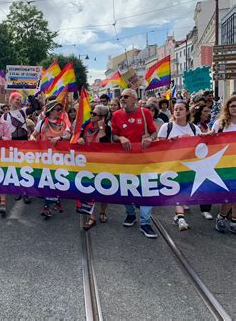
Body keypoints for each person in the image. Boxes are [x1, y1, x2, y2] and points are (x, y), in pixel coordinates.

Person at [111, 89, 158, 238]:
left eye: (126, 96)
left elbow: (153, 132)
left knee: (146, 189)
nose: (122, 99)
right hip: (125, 160)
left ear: (134, 99)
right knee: (126, 188)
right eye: (121, 97)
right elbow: (114, 135)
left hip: (144, 159)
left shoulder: (145, 113)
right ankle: (130, 213)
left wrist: (150, 138)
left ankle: (145, 223)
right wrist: (120, 138)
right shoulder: (116, 115)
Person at [158, 100, 201, 231]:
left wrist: (192, 141)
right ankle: (181, 218)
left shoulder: (194, 128)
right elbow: (159, 146)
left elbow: (201, 146)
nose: (177, 111)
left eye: (181, 109)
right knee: (177, 191)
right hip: (172, 165)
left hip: (189, 166)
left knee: (184, 192)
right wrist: (170, 142)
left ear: (187, 111)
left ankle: (178, 215)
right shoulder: (167, 127)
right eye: (176, 109)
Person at [30, 100, 71, 218]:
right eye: (57, 109)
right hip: (45, 156)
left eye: (60, 109)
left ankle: (57, 201)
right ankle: (47, 206)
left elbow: (68, 135)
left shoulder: (63, 123)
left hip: (59, 156)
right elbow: (34, 134)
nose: (60, 112)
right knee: (47, 180)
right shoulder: (42, 122)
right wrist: (32, 138)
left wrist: (59, 138)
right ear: (50, 110)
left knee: (57, 179)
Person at [77, 105, 112, 229]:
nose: (91, 115)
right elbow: (80, 138)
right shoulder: (87, 126)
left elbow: (105, 144)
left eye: (94, 114)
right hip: (88, 162)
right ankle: (92, 216)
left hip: (103, 163)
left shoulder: (107, 129)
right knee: (89, 188)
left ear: (102, 117)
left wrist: (102, 128)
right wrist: (80, 140)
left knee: (104, 188)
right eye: (91, 113)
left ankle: (103, 211)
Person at [211, 95, 236, 234]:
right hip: (225, 163)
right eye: (232, 106)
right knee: (229, 193)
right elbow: (211, 139)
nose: (235, 109)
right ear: (227, 108)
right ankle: (222, 216)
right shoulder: (220, 124)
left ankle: (234, 220)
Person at [191, 104, 213, 219]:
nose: (208, 113)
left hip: (208, 158)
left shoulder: (208, 125)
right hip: (195, 158)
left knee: (206, 182)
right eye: (205, 111)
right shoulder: (194, 126)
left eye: (208, 111)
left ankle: (205, 209)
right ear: (200, 113)